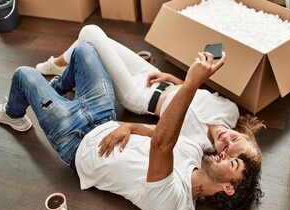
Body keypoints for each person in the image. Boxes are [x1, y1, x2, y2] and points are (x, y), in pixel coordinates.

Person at [0, 42, 262, 210]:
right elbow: (156, 134)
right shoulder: (194, 151)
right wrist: (129, 126)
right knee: (84, 49)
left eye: (232, 162)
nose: (224, 155)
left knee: (24, 75)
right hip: (105, 119)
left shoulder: (174, 202)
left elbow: (161, 147)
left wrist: (191, 84)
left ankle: (13, 115)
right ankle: (57, 91)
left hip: (75, 141)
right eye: (232, 155)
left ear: (228, 187)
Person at [36, 25, 265, 164]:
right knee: (93, 40)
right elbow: (193, 89)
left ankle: (57, 65)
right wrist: (172, 79)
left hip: (138, 95)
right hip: (152, 76)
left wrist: (125, 126)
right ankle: (64, 68)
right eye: (234, 138)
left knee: (91, 33)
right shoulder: (230, 111)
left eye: (224, 148)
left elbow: (155, 133)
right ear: (243, 135)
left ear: (221, 155)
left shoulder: (196, 145)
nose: (225, 138)